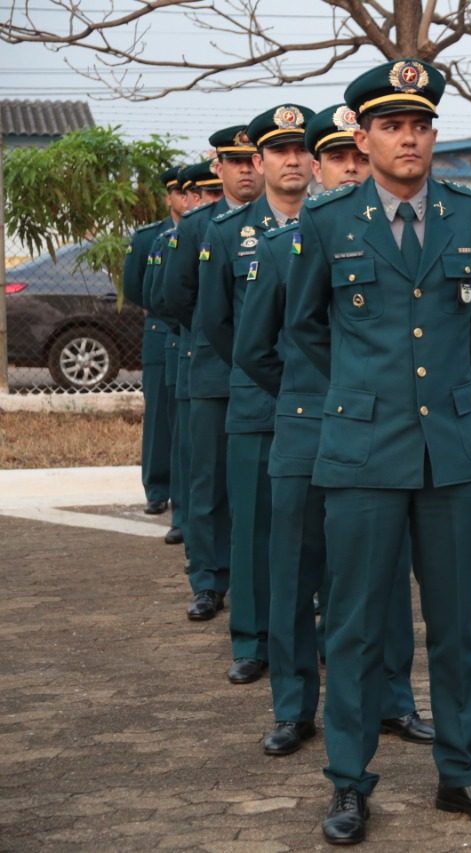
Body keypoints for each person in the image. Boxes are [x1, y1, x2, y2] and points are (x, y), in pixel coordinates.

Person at [286, 58, 471, 844]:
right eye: (392, 125)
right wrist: (362, 389)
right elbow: (306, 329)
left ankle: (462, 772)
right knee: (352, 626)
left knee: (455, 625)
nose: (408, 138)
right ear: (363, 136)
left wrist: (438, 385)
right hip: (360, 452)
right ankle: (349, 781)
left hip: (448, 451)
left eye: (419, 125)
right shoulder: (328, 223)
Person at [234, 103, 434, 758]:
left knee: (383, 572)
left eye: (357, 154)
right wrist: (308, 398)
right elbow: (255, 348)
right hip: (305, 431)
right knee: (294, 571)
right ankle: (294, 706)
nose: (350, 166)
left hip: (380, 436)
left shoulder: (404, 240)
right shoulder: (280, 247)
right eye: (337, 157)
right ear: (315, 167)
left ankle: (392, 697)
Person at [197, 105, 315, 684]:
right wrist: (274, 378)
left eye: (301, 149)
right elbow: (220, 325)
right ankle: (251, 638)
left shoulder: (336, 223)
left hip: (326, 407)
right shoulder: (226, 235)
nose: (292, 160)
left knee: (321, 532)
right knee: (253, 527)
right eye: (278, 151)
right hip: (257, 402)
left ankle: (313, 633)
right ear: (260, 162)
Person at [162, 134, 261, 622]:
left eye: (250, 161)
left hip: (266, 379)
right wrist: (213, 335)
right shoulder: (200, 226)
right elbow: (173, 296)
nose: (245, 171)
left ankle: (260, 580)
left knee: (263, 488)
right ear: (216, 168)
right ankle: (207, 579)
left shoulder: (283, 222)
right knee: (208, 483)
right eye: (234, 162)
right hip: (210, 371)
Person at [123, 165, 182, 518]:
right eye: (178, 191)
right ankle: (158, 488)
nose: (185, 198)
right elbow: (134, 286)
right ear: (169, 197)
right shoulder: (149, 237)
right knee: (160, 415)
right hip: (161, 332)